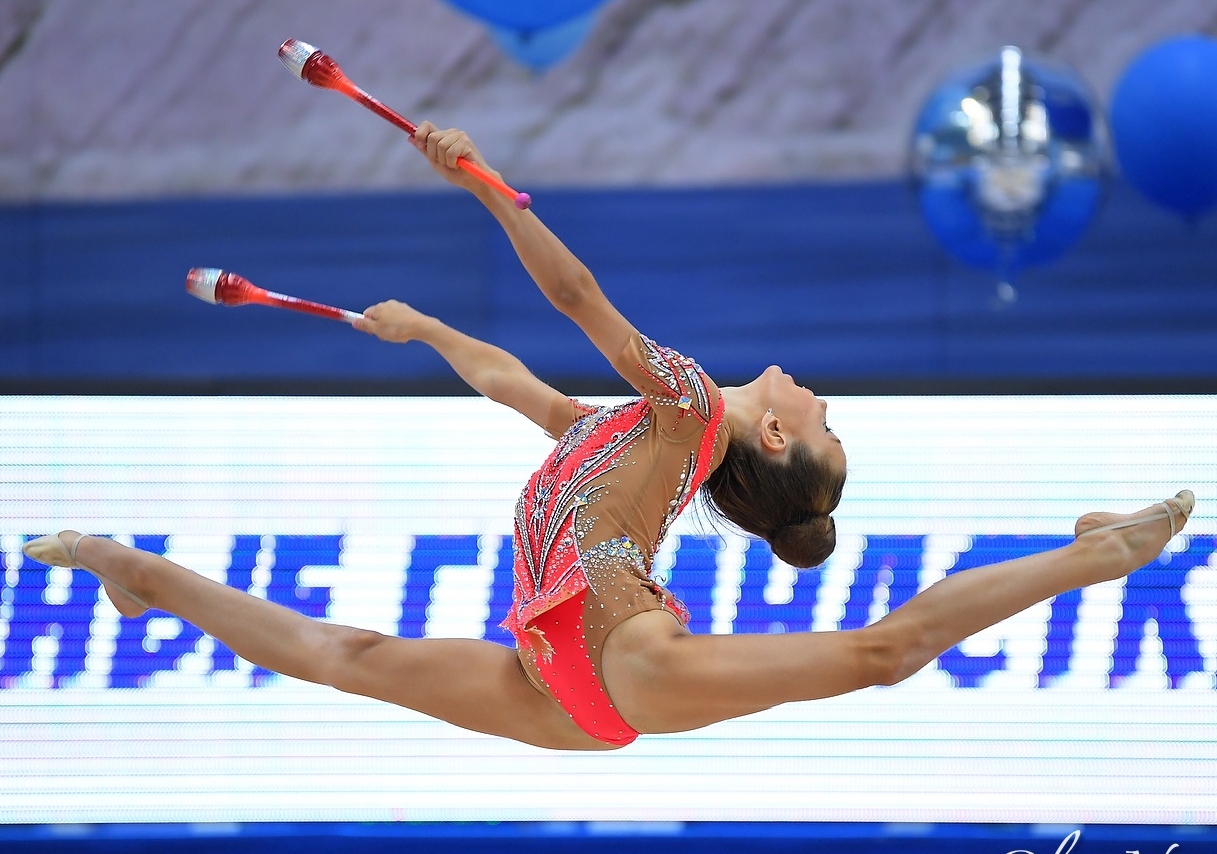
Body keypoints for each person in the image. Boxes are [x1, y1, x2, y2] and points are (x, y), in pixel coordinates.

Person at [24, 125, 1194, 752]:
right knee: (342, 653)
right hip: (549, 681)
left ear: (773, 429)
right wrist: (426, 325)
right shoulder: (618, 432)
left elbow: (577, 295)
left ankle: (1102, 550)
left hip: (616, 653)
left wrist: (490, 189)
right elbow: (512, 381)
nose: (807, 382)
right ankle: (139, 573)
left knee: (872, 655)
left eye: (814, 405)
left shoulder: (688, 400)